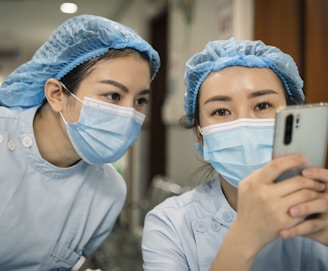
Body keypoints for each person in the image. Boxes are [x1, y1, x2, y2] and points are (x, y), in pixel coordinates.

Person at [142, 38, 328, 271]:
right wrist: (245, 238)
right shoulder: (169, 224)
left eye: (262, 106)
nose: (244, 124)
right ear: (200, 134)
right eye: (221, 111)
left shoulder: (321, 208)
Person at [0, 14, 160, 270]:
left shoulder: (109, 191)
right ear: (56, 95)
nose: (129, 113)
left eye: (140, 100)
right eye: (113, 95)